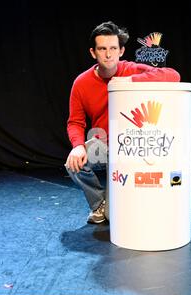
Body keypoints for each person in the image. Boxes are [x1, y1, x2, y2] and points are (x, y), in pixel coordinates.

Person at [65, 21, 180, 224]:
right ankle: (99, 204)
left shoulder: (130, 70)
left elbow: (173, 75)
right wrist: (77, 147)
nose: (108, 55)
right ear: (93, 53)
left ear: (121, 51)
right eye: (102, 49)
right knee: (73, 164)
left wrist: (130, 81)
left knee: (117, 214)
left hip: (131, 146)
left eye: (113, 48)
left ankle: (114, 205)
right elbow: (75, 122)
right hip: (103, 144)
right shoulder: (81, 83)